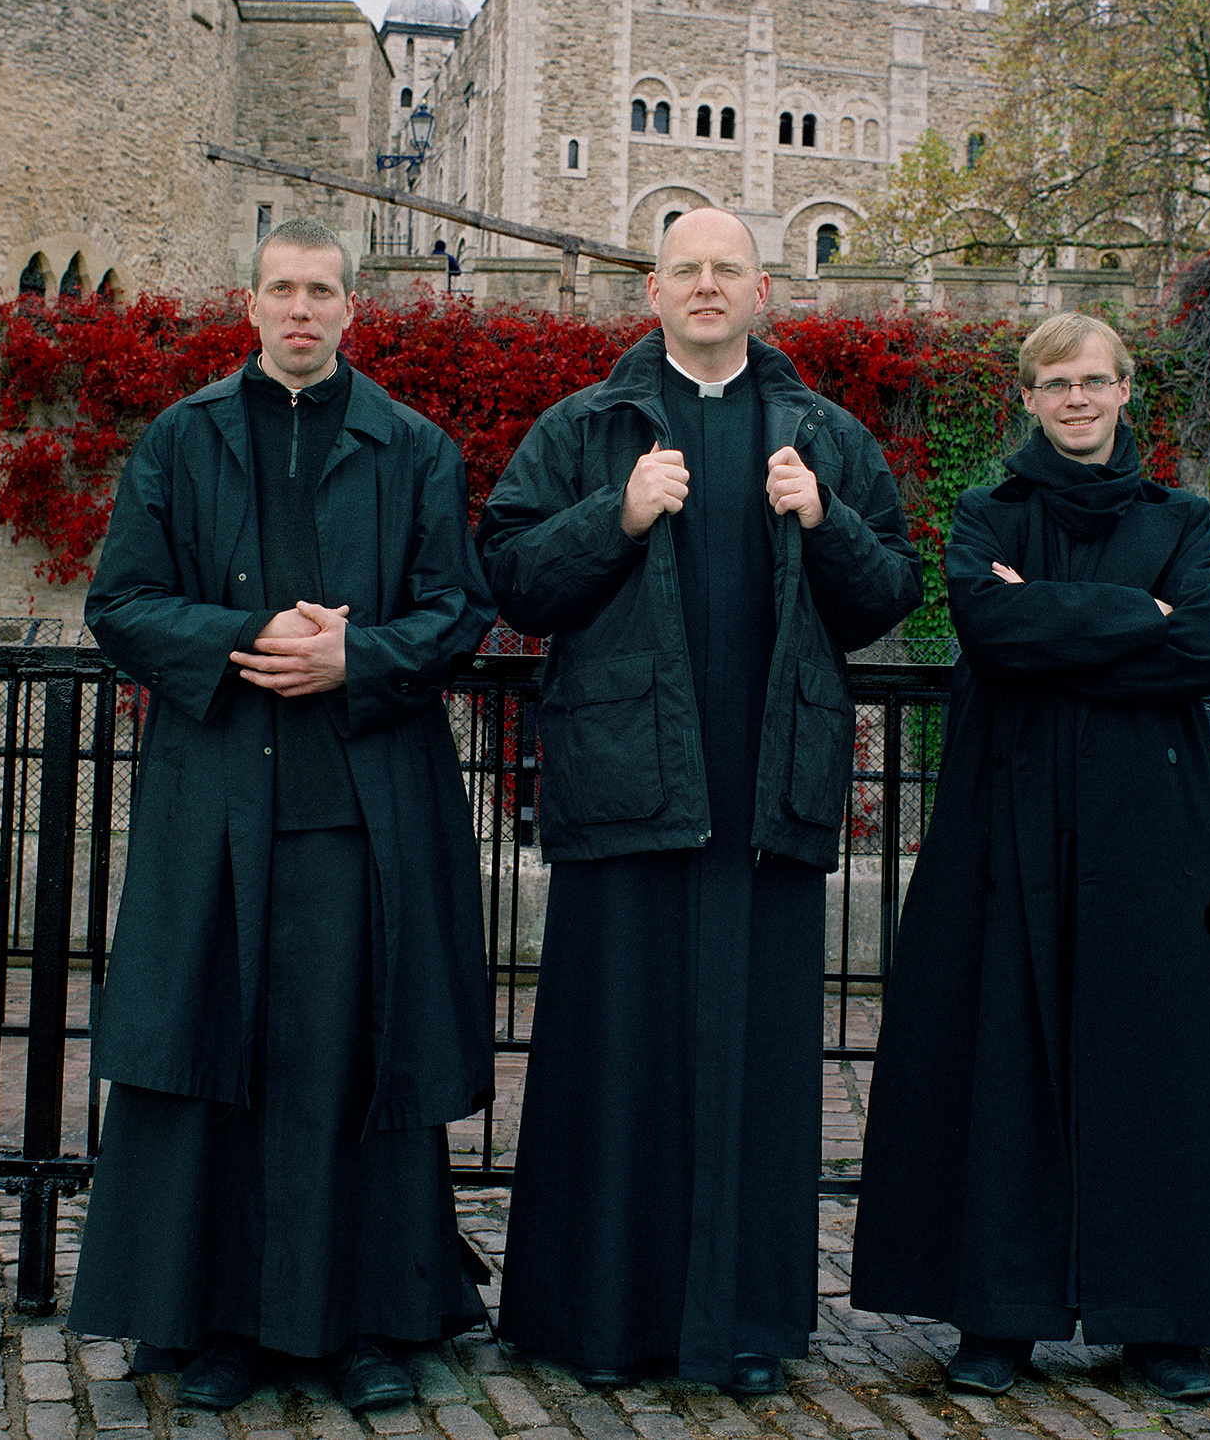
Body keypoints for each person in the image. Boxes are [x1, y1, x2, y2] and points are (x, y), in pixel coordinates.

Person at [477, 207, 922, 1395]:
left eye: (728, 269)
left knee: (756, 1071)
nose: (708, 287)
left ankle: (744, 1331)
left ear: (765, 290)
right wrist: (616, 516)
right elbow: (513, 574)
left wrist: (823, 522)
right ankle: (598, 1324)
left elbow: (889, 595)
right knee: (615, 1059)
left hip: (766, 799)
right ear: (655, 292)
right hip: (628, 791)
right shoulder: (586, 429)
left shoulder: (825, 436)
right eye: (687, 270)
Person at [67, 217, 497, 1414]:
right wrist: (249, 636)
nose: (300, 310)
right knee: (225, 1066)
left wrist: (355, 659)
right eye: (281, 290)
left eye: (321, 291)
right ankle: (221, 1327)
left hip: (364, 816)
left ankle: (363, 1324)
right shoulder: (183, 440)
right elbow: (125, 603)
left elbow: (456, 613)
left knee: (346, 1067)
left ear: (354, 309)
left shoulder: (413, 450)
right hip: (218, 814)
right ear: (250, 305)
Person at [850, 310, 1210, 1403]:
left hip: (1155, 830)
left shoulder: (1181, 515)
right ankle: (1000, 1315)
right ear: (1030, 398)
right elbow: (994, 633)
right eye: (1057, 383)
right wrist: (1134, 612)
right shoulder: (990, 510)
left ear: (1126, 389)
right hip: (1011, 819)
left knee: (1162, 1061)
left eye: (1096, 380)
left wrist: (1059, 620)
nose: (1078, 399)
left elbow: (1199, 649)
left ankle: (1166, 1317)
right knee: (1002, 1054)